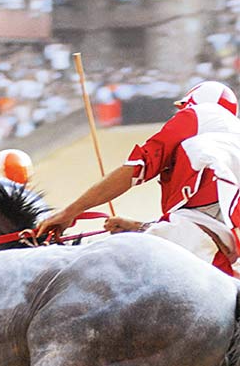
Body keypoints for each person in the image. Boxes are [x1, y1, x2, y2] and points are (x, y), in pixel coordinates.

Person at [37, 80, 240, 276]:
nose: (179, 114)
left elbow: (135, 170)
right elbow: (205, 219)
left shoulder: (198, 115)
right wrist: (137, 227)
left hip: (198, 247)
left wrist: (70, 211)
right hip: (225, 256)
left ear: (191, 104)